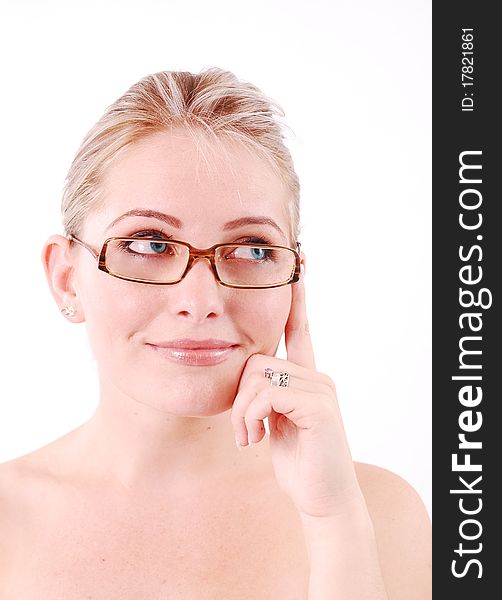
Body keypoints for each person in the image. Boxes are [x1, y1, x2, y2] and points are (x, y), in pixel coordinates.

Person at [0, 68, 431, 599]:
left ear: (293, 280)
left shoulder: (377, 513)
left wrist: (332, 523)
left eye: (252, 249)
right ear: (66, 278)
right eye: (149, 243)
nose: (200, 303)